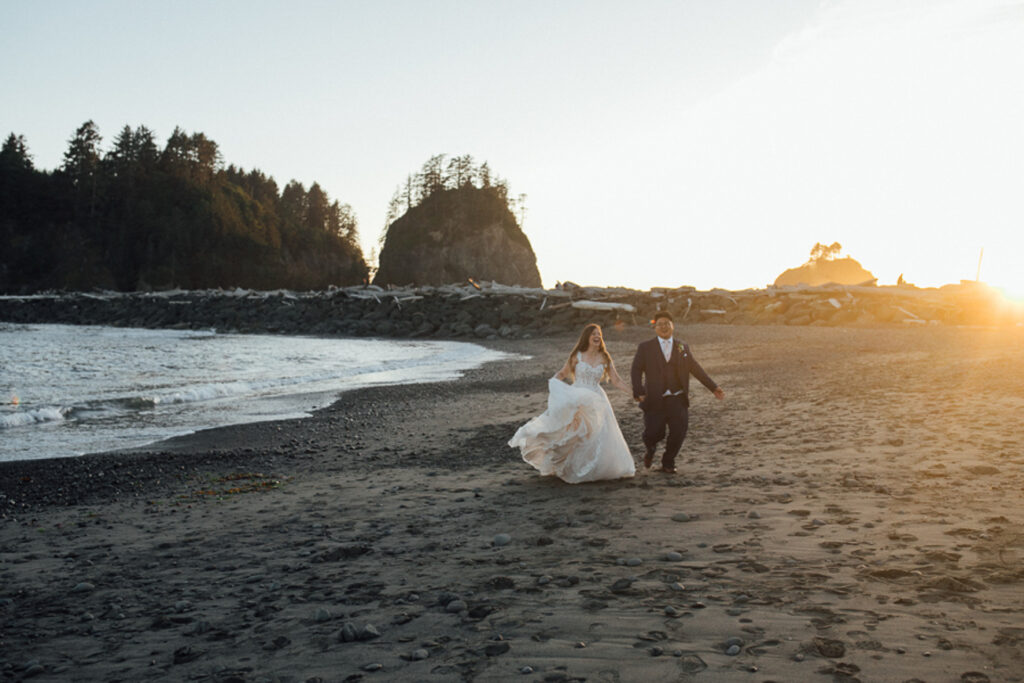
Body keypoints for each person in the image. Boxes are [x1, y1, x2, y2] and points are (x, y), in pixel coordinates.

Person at [509, 324, 636, 483]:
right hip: (576, 397)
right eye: (593, 334)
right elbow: (563, 373)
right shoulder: (577, 355)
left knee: (596, 434)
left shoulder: (605, 357)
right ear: (587, 338)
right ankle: (572, 467)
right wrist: (554, 384)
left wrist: (634, 393)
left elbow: (616, 380)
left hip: (596, 399)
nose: (597, 336)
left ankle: (594, 467)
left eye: (599, 334)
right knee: (574, 433)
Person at [631, 311, 724, 474]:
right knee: (653, 433)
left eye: (667, 323)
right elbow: (636, 369)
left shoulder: (682, 346)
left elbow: (695, 368)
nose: (664, 327)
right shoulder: (645, 347)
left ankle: (668, 462)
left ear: (673, 326)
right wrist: (638, 390)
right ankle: (651, 449)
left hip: (678, 397)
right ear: (655, 328)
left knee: (679, 432)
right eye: (660, 324)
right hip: (654, 398)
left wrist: (713, 387)